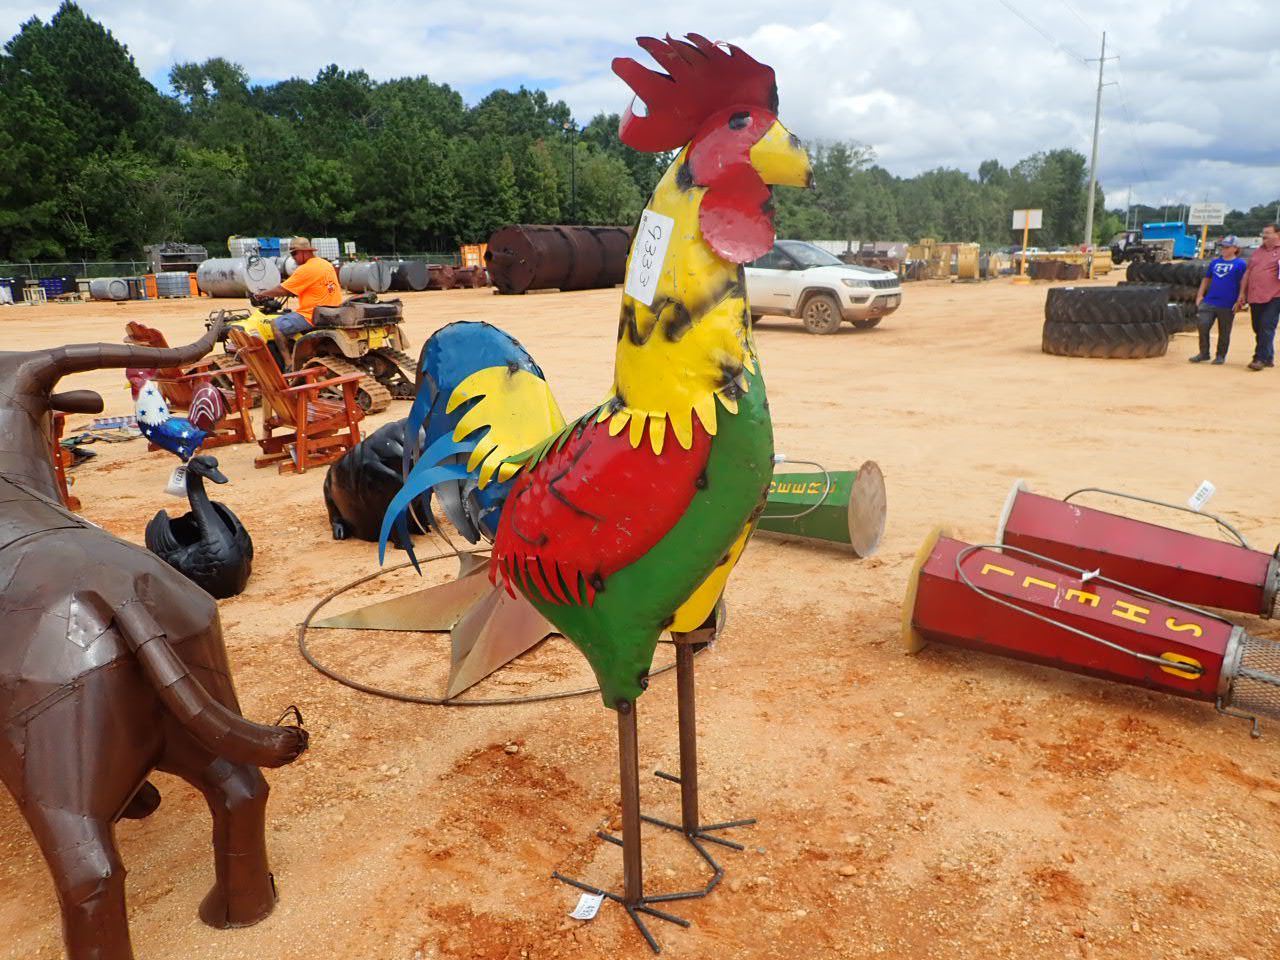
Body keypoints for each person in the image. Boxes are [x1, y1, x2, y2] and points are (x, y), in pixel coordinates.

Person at [252, 237, 342, 363]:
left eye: (294, 253)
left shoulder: (306, 268)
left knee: (276, 325)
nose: (293, 257)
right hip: (332, 312)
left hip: (312, 315)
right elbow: (315, 285)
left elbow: (282, 290)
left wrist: (261, 294)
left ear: (305, 252)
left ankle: (288, 362)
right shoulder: (325, 264)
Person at [1189, 236, 1247, 364]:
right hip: (1210, 300)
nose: (1224, 249)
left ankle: (1220, 355)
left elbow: (1243, 281)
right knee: (1203, 325)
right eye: (1223, 246)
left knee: (1224, 331)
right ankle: (1204, 353)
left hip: (1227, 303)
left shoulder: (1240, 264)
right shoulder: (1214, 263)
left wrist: (1240, 298)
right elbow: (1206, 279)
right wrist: (1200, 295)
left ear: (1235, 248)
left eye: (1227, 247)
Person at [1237, 224, 1280, 371]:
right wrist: (1242, 293)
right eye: (1263, 233)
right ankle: (1268, 357)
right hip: (1255, 296)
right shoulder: (1257, 252)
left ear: (1278, 235)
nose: (1264, 235)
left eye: (1267, 233)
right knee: (1258, 327)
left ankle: (1259, 358)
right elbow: (1248, 273)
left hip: (1274, 296)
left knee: (1266, 326)